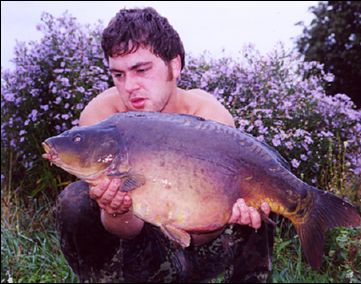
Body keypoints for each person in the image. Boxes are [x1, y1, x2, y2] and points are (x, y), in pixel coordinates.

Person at [55, 7, 274, 283]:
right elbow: (126, 230)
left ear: (175, 65)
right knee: (74, 201)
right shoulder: (100, 119)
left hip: (205, 244)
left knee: (262, 175)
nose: (130, 85)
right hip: (141, 247)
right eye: (118, 75)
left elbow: (199, 235)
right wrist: (117, 210)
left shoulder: (208, 116)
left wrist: (228, 213)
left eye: (141, 69)